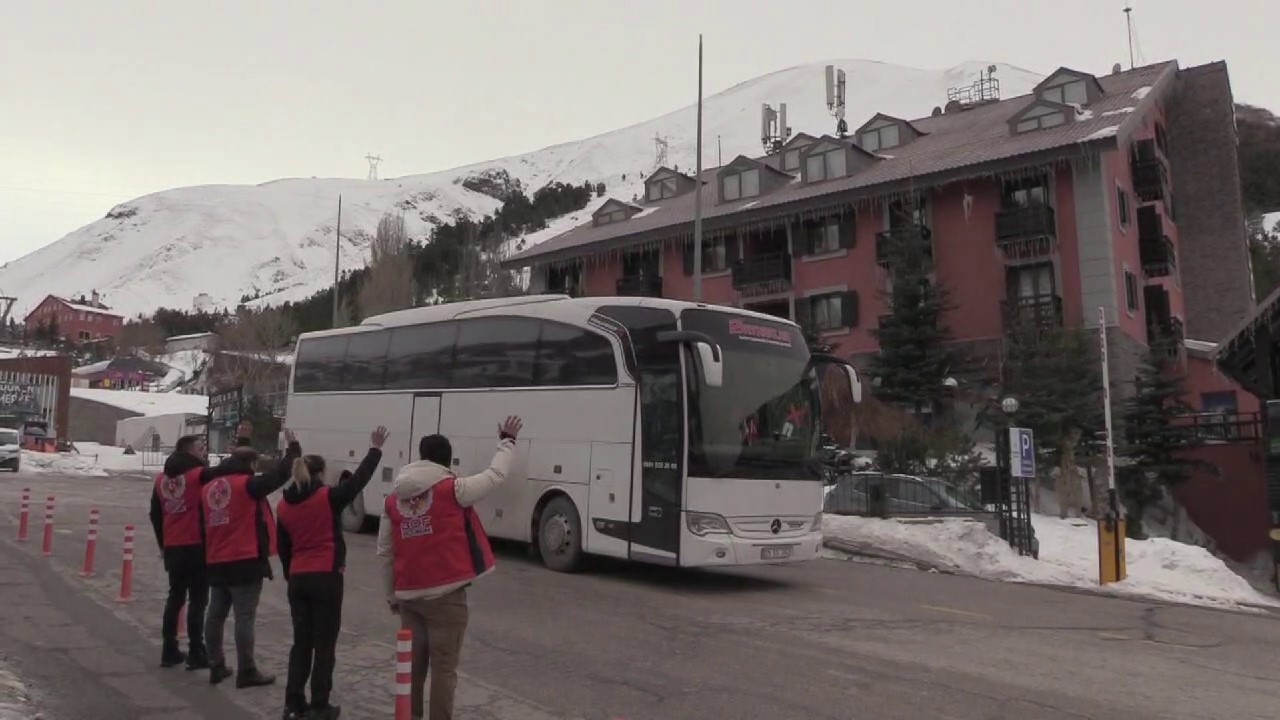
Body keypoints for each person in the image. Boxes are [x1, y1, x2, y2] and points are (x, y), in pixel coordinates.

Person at [377, 416, 522, 720]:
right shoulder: (454, 489)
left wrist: (392, 595)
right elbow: (495, 475)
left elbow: (385, 552)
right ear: (446, 460)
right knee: (444, 672)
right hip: (446, 597)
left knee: (412, 670)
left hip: (408, 597)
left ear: (419, 457)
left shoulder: (392, 499)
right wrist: (507, 441)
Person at [276, 426, 388, 720]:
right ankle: (319, 705)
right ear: (321, 474)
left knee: (302, 643)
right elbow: (359, 482)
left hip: (298, 578)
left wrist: (291, 575)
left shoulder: (284, 506)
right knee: (324, 645)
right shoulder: (327, 498)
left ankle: (293, 703)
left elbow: (283, 547)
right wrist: (375, 450)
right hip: (325, 576)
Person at [202, 428, 299, 689]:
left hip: (216, 559)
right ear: (251, 464)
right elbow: (279, 474)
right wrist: (293, 450)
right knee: (244, 617)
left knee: (215, 615)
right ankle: (247, 670)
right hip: (244, 560)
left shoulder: (210, 488)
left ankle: (215, 663)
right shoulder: (248, 486)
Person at [148, 434, 213, 670]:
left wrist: (163, 543)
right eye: (200, 448)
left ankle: (169, 649)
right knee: (198, 600)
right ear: (188, 451)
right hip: (196, 545)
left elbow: (155, 515)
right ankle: (197, 651)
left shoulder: (161, 480)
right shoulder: (198, 475)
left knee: (175, 597)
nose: (204, 451)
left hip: (174, 547)